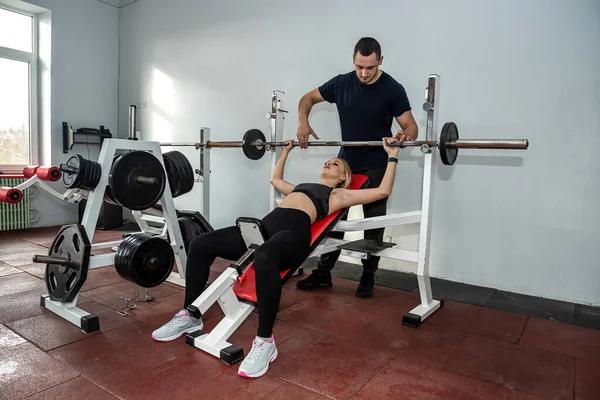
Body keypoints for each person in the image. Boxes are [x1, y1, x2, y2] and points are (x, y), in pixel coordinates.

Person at [151, 137, 401, 379]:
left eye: (335, 164)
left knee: (265, 256)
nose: (328, 163)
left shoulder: (338, 195)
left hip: (292, 235)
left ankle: (265, 341)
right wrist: (286, 151)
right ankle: (191, 316)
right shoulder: (302, 186)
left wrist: (393, 157)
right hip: (262, 229)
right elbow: (275, 180)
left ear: (343, 178)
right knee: (200, 243)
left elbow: (382, 191)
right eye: (327, 161)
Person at [295, 36, 418, 298]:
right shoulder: (341, 82)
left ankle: (368, 277)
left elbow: (412, 127)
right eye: (359, 67)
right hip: (346, 164)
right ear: (353, 61)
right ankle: (323, 273)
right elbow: (307, 99)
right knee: (332, 221)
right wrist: (303, 122)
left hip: (376, 164)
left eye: (370, 67)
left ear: (380, 61)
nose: (364, 73)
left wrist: (402, 136)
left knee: (374, 225)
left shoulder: (392, 89)